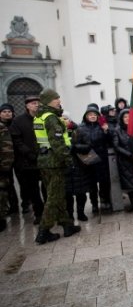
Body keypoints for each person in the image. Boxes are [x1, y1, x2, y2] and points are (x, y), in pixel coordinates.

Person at [33, 88, 80, 243]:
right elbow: (58, 144)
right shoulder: (51, 118)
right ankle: (43, 231)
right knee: (53, 197)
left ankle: (67, 225)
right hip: (55, 162)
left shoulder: (39, 117)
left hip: (44, 160)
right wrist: (68, 160)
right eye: (56, 98)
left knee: (57, 195)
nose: (59, 100)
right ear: (48, 101)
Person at [9, 96, 45, 223]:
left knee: (46, 187)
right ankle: (39, 214)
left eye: (38, 103)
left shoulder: (43, 118)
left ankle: (49, 211)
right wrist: (29, 153)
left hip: (45, 158)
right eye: (34, 103)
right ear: (27, 106)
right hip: (28, 162)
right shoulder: (18, 121)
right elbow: (16, 141)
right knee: (33, 190)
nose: (37, 105)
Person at [74, 105, 113, 213]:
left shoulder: (102, 126)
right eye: (90, 115)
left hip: (102, 158)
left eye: (94, 115)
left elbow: (110, 140)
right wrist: (86, 148)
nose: (92, 116)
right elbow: (76, 145)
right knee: (92, 184)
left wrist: (107, 131)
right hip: (88, 158)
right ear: (86, 116)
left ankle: (105, 201)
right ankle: (94, 204)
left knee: (104, 182)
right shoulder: (80, 128)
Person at [113, 109, 133, 212]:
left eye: (129, 116)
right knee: (130, 183)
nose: (127, 119)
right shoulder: (117, 130)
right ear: (122, 119)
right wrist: (129, 154)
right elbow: (116, 146)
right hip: (125, 161)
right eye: (125, 117)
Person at [0, 103, 19, 215]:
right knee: (7, 183)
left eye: (9, 112)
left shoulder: (15, 124)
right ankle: (10, 206)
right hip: (5, 160)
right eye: (4, 112)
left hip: (17, 157)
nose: (7, 114)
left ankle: (18, 204)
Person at [0, 116, 14, 232]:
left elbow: (7, 149)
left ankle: (1, 218)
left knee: (1, 193)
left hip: (1, 167)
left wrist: (5, 167)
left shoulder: (1, 128)